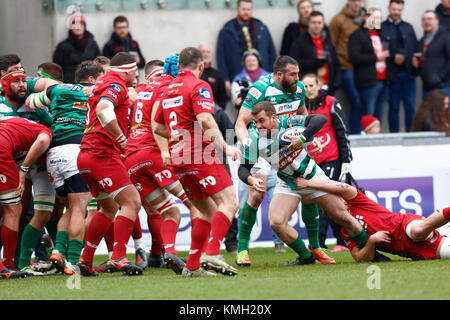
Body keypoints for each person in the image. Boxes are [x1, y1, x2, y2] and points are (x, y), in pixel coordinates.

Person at [238, 101, 370, 266]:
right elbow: (243, 168)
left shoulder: (287, 122)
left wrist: (303, 138)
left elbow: (319, 119)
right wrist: (250, 179)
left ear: (273, 118)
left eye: (261, 121)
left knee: (342, 216)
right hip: (287, 181)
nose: (257, 126)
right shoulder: (255, 140)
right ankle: (305, 257)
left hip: (312, 176)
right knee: (276, 222)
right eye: (255, 122)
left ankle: (370, 249)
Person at [234, 56, 335, 266]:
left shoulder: (297, 88)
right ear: (279, 74)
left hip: (290, 143)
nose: (298, 78)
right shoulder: (260, 88)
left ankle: (315, 247)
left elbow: (302, 114)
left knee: (307, 193)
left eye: (298, 73)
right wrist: (247, 144)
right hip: (262, 144)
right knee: (256, 194)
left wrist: (310, 138)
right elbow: (240, 122)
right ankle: (242, 250)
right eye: (293, 74)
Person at [152, 47, 242, 277]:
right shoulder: (198, 85)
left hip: (178, 157)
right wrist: (225, 146)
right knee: (230, 202)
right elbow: (204, 118)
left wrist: (179, 133)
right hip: (198, 153)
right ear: (201, 66)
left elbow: (157, 127)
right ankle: (212, 253)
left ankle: (191, 267)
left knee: (206, 212)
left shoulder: (168, 89)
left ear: (179, 65)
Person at [24, 61, 105, 275]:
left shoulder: (57, 89)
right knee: (81, 208)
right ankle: (75, 262)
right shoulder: (97, 91)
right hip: (75, 149)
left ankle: (58, 250)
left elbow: (32, 102)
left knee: (70, 208)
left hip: (53, 153)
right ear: (92, 79)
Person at [125, 55, 202, 274]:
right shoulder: (169, 88)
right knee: (195, 205)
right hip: (153, 153)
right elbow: (160, 122)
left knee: (170, 211)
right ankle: (201, 257)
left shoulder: (142, 89)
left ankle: (169, 252)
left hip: (132, 158)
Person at [76, 52, 143, 277]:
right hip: (102, 154)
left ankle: (85, 260)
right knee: (132, 202)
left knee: (108, 208)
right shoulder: (116, 85)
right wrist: (122, 140)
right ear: (126, 70)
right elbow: (104, 110)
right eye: (135, 70)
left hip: (85, 156)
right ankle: (118, 256)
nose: (137, 75)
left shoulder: (102, 83)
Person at [293, 178, 450, 262]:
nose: (327, 211)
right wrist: (371, 242)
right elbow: (360, 258)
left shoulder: (356, 201)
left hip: (404, 225)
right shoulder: (347, 232)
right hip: (417, 251)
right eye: (326, 211)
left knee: (418, 231)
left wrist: (308, 183)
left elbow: (344, 188)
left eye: (327, 207)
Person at [302, 74, 352, 251]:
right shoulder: (300, 106)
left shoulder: (331, 102)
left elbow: (342, 130)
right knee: (328, 202)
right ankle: (342, 241)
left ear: (319, 85)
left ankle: (320, 243)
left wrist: (346, 159)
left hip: (332, 158)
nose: (308, 90)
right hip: (310, 162)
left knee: (322, 198)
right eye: (305, 87)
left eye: (311, 85)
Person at [0, 116, 52, 273]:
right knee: (13, 209)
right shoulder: (46, 132)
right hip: (1, 150)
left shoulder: (19, 124)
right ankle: (8, 265)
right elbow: (42, 141)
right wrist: (24, 169)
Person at [216, 0, 277, 94]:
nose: (246, 12)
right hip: (238, 77)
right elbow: (221, 56)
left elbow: (271, 51)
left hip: (263, 76)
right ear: (237, 9)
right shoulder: (227, 30)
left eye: (249, 9)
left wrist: (273, 74)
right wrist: (225, 78)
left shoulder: (261, 27)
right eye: (243, 9)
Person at [380, 0, 418, 133]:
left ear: (402, 10)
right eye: (394, 9)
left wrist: (407, 58)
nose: (396, 12)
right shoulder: (382, 27)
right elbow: (379, 50)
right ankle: (394, 136)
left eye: (399, 10)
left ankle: (410, 134)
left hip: (408, 75)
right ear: (389, 8)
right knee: (394, 107)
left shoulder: (408, 27)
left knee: (410, 107)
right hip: (391, 76)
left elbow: (414, 47)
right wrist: (393, 57)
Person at [329, 0, 366, 134]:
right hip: (346, 67)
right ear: (348, 2)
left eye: (359, 1)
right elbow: (331, 44)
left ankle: (366, 131)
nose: (356, 4)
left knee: (365, 101)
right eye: (353, 1)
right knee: (356, 99)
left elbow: (376, 36)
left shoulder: (367, 18)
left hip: (364, 68)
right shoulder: (338, 20)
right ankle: (354, 134)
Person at [348, 6, 390, 124]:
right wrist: (376, 57)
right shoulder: (357, 35)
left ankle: (376, 139)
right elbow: (354, 57)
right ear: (367, 18)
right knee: (367, 115)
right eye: (376, 18)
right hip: (368, 82)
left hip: (384, 80)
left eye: (380, 18)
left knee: (380, 114)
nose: (379, 21)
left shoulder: (381, 34)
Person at [289, 11, 341, 95]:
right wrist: (315, 62)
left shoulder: (327, 41)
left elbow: (336, 62)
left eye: (319, 23)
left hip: (329, 87)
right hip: (310, 89)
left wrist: (336, 82)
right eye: (314, 22)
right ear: (308, 23)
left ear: (323, 24)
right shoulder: (300, 42)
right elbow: (293, 64)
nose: (317, 25)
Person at [52, 13, 100, 83]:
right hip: (69, 84)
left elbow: (98, 64)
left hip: (89, 83)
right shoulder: (62, 46)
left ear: (84, 26)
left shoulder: (92, 44)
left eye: (80, 24)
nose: (78, 27)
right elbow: (56, 68)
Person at [412, 10, 450, 98]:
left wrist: (439, 78)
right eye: (424, 19)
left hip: (443, 87)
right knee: (427, 112)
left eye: (429, 19)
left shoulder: (446, 37)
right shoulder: (422, 41)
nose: (426, 22)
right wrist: (417, 65)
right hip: (426, 87)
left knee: (441, 112)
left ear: (437, 21)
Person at [198, 44, 228, 110]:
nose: (205, 54)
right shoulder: (194, 72)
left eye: (208, 52)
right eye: (203, 52)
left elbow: (222, 98)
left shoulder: (217, 74)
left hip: (213, 113)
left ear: (211, 54)